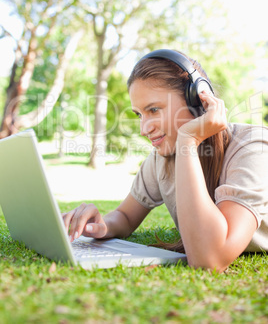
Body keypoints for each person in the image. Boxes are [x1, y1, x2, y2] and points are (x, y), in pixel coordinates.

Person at [62, 49, 268, 272]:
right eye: (139, 114)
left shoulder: (252, 147)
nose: (144, 128)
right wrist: (102, 225)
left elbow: (210, 259)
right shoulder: (162, 158)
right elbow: (125, 216)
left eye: (153, 110)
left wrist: (188, 139)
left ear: (197, 99)